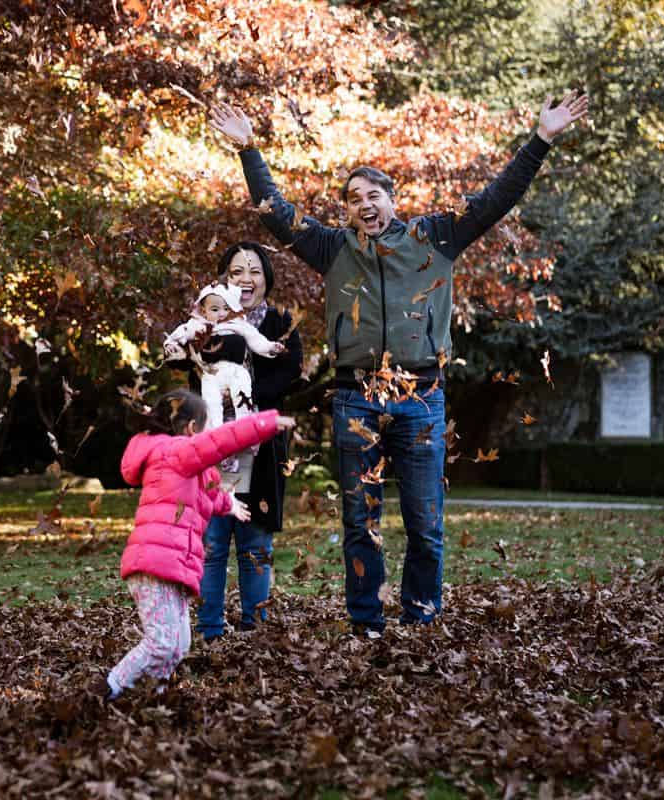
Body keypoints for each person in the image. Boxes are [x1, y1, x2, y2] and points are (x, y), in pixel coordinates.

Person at [209, 92, 589, 634]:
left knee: (425, 524)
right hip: (356, 398)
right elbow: (277, 213)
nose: (363, 204)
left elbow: (496, 199)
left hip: (420, 397)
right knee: (360, 524)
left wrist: (541, 138)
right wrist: (248, 148)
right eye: (352, 199)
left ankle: (421, 618)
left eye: (372, 195)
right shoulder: (333, 248)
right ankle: (366, 623)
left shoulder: (436, 236)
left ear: (392, 197)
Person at [99, 389, 294, 700]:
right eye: (203, 428)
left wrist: (227, 504)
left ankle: (154, 695)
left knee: (179, 644)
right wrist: (266, 422)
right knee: (162, 643)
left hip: (170, 567)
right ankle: (109, 686)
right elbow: (224, 440)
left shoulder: (178, 463)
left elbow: (204, 495)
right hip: (154, 566)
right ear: (191, 428)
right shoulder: (177, 451)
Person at [164, 242, 304, 641]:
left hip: (259, 442)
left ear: (267, 279)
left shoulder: (278, 321)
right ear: (223, 277)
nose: (245, 279)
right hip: (210, 442)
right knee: (211, 543)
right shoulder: (207, 316)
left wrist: (246, 394)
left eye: (254, 271)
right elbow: (185, 362)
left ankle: (254, 629)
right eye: (237, 271)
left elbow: (289, 371)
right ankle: (209, 630)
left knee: (255, 540)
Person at [164, 281, 286, 465]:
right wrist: (171, 346)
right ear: (203, 311)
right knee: (211, 405)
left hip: (235, 370)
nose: (221, 314)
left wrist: (270, 347)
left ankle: (247, 432)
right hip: (211, 374)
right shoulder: (196, 325)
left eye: (225, 308)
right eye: (214, 309)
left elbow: (255, 339)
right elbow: (177, 336)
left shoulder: (236, 324)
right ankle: (214, 439)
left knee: (243, 396)